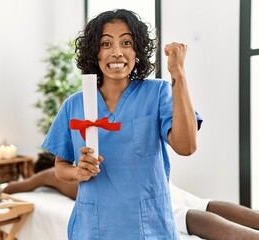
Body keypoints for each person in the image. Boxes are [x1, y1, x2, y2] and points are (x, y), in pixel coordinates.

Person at [41, 9, 200, 239]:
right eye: (106, 44)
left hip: (148, 229)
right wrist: (78, 171)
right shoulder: (74, 105)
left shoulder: (157, 93)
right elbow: (60, 166)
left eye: (126, 42)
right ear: (94, 52)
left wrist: (178, 74)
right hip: (92, 228)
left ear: (137, 50)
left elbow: (187, 147)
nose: (116, 52)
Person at [4, 166, 259, 240]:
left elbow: (21, 186)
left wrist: (1, 188)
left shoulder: (51, 174)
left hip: (131, 194)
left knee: (183, 215)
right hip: (148, 181)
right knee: (203, 204)